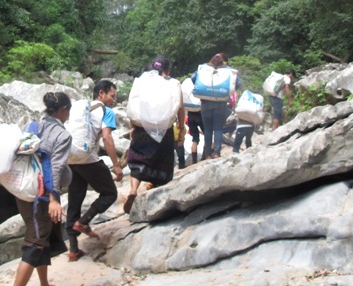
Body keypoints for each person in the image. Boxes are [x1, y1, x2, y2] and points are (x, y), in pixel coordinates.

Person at [1, 92, 72, 286]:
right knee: (35, 240)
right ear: (63, 110)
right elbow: (56, 166)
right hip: (42, 196)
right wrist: (54, 199)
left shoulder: (31, 125)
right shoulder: (62, 134)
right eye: (68, 110)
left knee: (41, 236)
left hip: (23, 190)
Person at [66, 80, 123, 262]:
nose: (114, 100)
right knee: (110, 193)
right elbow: (106, 138)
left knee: (74, 200)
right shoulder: (106, 111)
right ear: (101, 94)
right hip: (88, 159)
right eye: (112, 96)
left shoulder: (83, 110)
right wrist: (116, 165)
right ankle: (83, 222)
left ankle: (73, 250)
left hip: (70, 158)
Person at [124, 57, 185, 214]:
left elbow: (134, 104)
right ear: (168, 70)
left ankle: (133, 190)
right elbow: (180, 107)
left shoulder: (142, 81)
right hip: (164, 130)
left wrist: (132, 126)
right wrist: (181, 128)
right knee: (162, 162)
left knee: (138, 158)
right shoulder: (173, 84)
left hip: (142, 127)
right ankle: (157, 198)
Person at [191, 53, 241, 159]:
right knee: (218, 128)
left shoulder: (204, 68)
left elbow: (193, 78)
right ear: (224, 61)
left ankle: (208, 154)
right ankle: (217, 153)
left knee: (208, 129)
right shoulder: (228, 70)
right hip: (221, 102)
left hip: (205, 102)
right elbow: (238, 83)